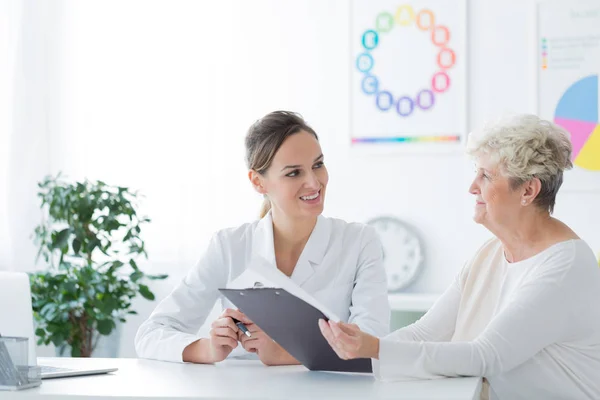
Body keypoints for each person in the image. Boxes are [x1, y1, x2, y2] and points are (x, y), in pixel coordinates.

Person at [319, 114, 600, 399]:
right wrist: (361, 353)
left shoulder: (566, 266)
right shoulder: (490, 253)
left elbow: (486, 355)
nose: (472, 186)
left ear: (528, 190)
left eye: (486, 176)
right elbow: (425, 332)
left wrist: (376, 349)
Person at [135, 110, 390, 366]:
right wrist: (209, 349)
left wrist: (281, 353)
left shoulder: (359, 241)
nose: (314, 182)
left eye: (318, 165)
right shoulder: (230, 246)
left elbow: (373, 342)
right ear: (258, 182)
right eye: (294, 173)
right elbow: (151, 334)